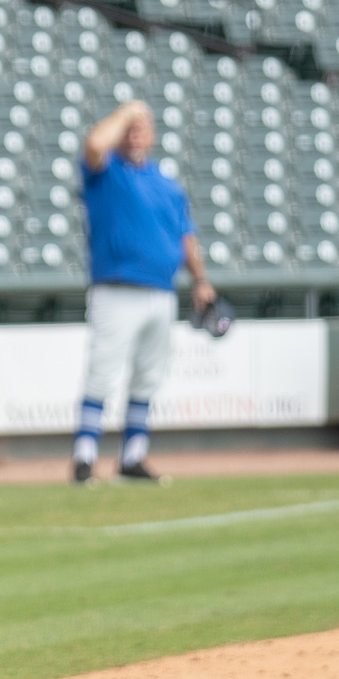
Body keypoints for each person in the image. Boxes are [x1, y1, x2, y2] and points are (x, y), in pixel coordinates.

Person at [72, 99, 215, 484]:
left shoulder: (166, 185)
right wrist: (124, 113)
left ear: (152, 136)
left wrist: (200, 279)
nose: (135, 136)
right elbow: (94, 146)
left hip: (160, 291)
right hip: (116, 288)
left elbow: (186, 236)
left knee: (148, 376)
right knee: (102, 373)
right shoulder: (107, 173)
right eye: (130, 131)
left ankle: (132, 457)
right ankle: (84, 458)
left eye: (142, 130)